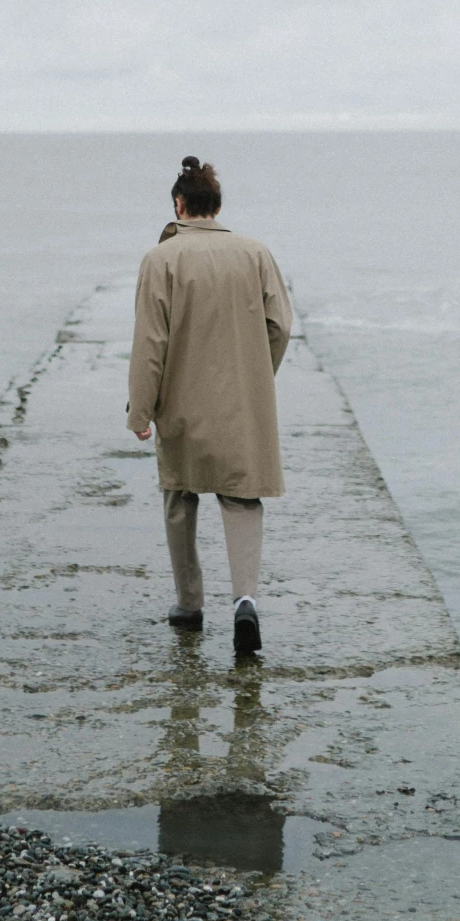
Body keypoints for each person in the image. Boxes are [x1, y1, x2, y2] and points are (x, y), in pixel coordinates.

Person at [127, 155, 292, 655]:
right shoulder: (255, 253)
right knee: (242, 498)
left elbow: (150, 343)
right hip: (242, 403)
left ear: (179, 205)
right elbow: (279, 326)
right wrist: (257, 377)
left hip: (181, 402)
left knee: (180, 496)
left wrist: (140, 410)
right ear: (217, 206)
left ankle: (189, 604)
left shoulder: (161, 260)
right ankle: (245, 600)